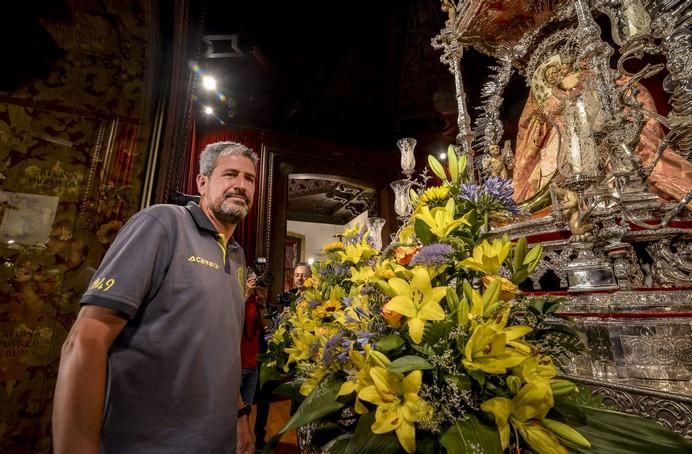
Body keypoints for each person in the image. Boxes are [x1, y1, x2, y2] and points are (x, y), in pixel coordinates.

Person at [52, 141, 258, 454]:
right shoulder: (162, 224)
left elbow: (222, 349)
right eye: (231, 175)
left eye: (250, 179)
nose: (241, 185)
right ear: (202, 182)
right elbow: (85, 340)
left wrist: (240, 413)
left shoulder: (238, 255)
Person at [253, 263, 312, 449]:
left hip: (305, 357)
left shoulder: (317, 299)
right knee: (264, 388)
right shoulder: (289, 297)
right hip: (285, 355)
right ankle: (259, 439)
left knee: (300, 404)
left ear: (311, 277)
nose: (300, 278)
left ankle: (303, 443)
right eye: (297, 275)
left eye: (303, 275)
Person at [240, 272, 268, 409]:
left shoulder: (257, 302)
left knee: (247, 409)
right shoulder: (236, 299)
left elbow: (266, 326)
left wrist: (262, 304)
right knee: (232, 412)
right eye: (251, 280)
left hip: (253, 364)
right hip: (237, 365)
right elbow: (230, 320)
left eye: (256, 281)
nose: (254, 283)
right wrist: (245, 295)